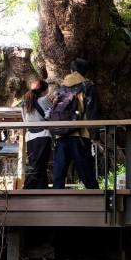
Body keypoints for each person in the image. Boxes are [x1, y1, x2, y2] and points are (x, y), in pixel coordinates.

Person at [52, 58, 99, 189]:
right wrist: (94, 136)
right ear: (85, 73)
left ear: (71, 71)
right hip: (80, 135)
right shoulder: (87, 86)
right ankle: (97, 204)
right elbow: (92, 112)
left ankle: (55, 204)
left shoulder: (61, 87)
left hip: (60, 135)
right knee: (86, 172)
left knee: (59, 173)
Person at [22, 79, 52, 189]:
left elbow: (25, 120)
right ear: (44, 90)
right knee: (38, 167)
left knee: (37, 165)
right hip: (43, 136)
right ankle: (26, 191)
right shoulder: (44, 100)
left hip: (30, 137)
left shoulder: (25, 103)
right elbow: (51, 116)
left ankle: (42, 191)